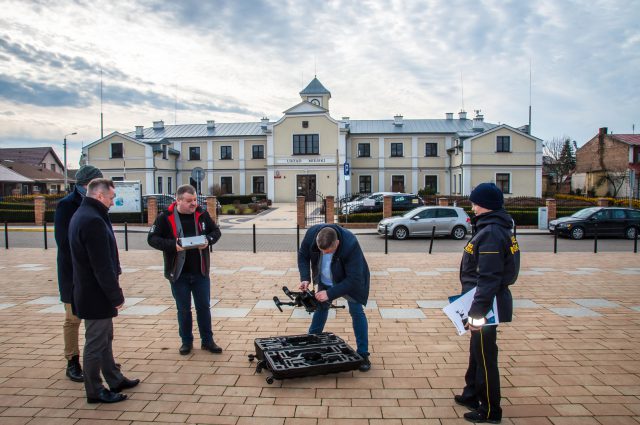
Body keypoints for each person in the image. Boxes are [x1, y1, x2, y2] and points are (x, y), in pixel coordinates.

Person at [69, 178, 139, 403]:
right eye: (111, 197)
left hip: (91, 291)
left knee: (105, 338)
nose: (113, 201)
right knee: (96, 342)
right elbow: (101, 265)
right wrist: (115, 294)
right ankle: (95, 390)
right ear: (99, 196)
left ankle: (114, 378)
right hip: (95, 294)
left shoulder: (86, 214)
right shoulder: (92, 220)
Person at [455, 183, 520, 424]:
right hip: (483, 301)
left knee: (485, 356)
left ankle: (491, 410)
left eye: (474, 202)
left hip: (486, 305)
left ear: (486, 205)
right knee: (477, 351)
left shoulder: (492, 232)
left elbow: (489, 277)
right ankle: (471, 393)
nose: (472, 207)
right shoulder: (495, 227)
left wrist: (476, 313)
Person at [148, 184, 222, 355]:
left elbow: (216, 232)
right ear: (178, 200)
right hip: (178, 272)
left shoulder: (202, 214)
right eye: (189, 201)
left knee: (203, 307)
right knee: (183, 309)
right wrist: (172, 245)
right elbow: (152, 239)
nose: (194, 203)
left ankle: (208, 341)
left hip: (201, 272)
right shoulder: (165, 217)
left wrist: (208, 240)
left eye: (195, 199)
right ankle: (186, 342)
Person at [298, 224, 371, 372]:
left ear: (337, 243)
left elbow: (354, 278)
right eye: (322, 251)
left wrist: (330, 294)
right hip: (325, 279)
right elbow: (303, 255)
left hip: (349, 280)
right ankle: (312, 340)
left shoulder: (350, 242)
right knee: (321, 308)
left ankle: (363, 354)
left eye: (328, 251)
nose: (324, 254)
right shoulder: (312, 234)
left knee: (356, 312)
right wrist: (305, 277)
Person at [54, 164, 103, 382]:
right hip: (73, 273)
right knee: (72, 318)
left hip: (95, 273)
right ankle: (72, 361)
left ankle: (100, 359)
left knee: (98, 319)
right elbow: (64, 243)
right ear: (85, 184)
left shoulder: (98, 203)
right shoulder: (67, 205)